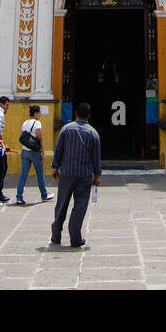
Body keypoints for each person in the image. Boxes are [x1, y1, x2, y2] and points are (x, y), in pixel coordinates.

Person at [50, 101, 102, 248]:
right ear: (89, 115)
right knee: (80, 205)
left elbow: (59, 149)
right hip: (84, 174)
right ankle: (75, 238)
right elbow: (96, 157)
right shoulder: (93, 133)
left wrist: (55, 167)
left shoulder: (66, 129)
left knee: (62, 203)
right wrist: (97, 175)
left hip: (66, 172)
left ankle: (56, 235)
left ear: (76, 114)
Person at [16, 104, 54, 205]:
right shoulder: (37, 123)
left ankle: (19, 197)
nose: (40, 115)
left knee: (23, 175)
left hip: (25, 151)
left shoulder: (24, 123)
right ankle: (44, 195)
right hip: (34, 152)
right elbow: (40, 138)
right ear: (36, 113)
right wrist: (43, 153)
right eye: (39, 113)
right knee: (40, 175)